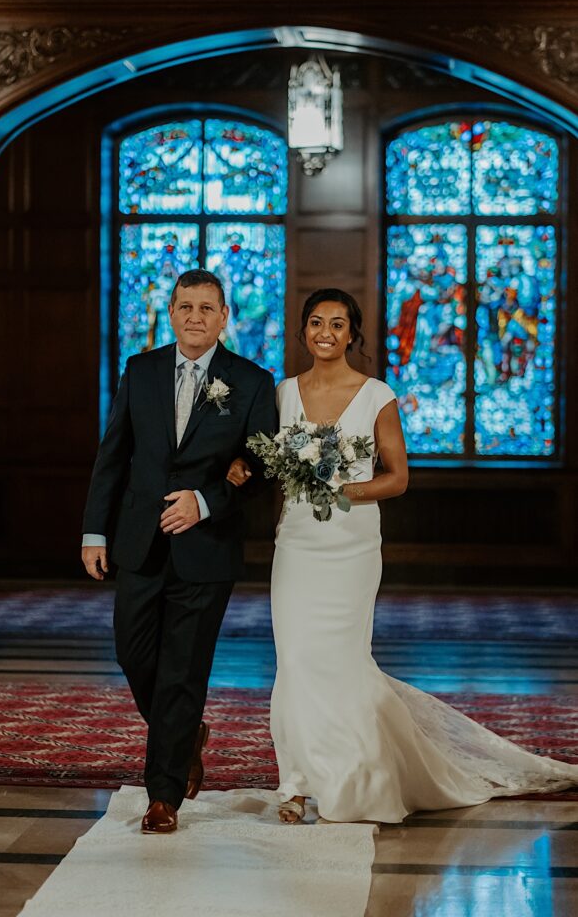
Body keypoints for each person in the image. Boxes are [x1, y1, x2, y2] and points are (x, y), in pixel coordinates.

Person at [228, 287, 577, 824]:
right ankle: (294, 782)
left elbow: (398, 477)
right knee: (295, 662)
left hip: (352, 546)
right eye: (316, 323)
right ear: (302, 331)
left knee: (344, 661)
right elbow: (258, 454)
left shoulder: (376, 395)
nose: (326, 333)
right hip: (297, 543)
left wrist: (347, 488)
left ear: (353, 334)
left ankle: (360, 776)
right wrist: (243, 469)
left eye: (338, 324)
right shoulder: (283, 394)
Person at [81, 269, 276, 834]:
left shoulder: (251, 381)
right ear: (171, 313)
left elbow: (260, 467)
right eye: (185, 306)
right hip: (137, 542)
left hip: (206, 549)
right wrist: (95, 531)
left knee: (183, 671)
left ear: (223, 318)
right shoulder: (140, 371)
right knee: (132, 651)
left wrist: (206, 501)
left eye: (207, 308)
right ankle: (185, 733)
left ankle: (162, 795)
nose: (195, 316)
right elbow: (113, 455)